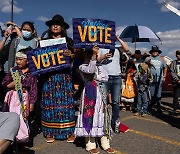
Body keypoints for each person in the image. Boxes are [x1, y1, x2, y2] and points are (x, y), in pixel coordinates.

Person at [40, 14, 75, 143]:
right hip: (49, 78)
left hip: (64, 77)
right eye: (53, 24)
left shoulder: (69, 41)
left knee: (66, 104)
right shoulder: (43, 42)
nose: (55, 26)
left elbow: (75, 57)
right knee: (50, 104)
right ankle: (50, 132)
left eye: (58, 24)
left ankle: (69, 132)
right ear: (50, 27)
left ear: (62, 27)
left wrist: (71, 54)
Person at [74, 47, 115, 154]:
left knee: (103, 115)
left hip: (101, 93)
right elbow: (90, 71)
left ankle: (105, 143)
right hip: (89, 93)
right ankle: (90, 144)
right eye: (87, 55)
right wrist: (94, 57)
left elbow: (105, 78)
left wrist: (98, 61)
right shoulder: (82, 66)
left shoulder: (99, 65)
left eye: (91, 54)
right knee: (89, 116)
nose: (89, 56)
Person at [2, 48, 38, 144]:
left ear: (27, 60)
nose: (18, 61)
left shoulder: (32, 73)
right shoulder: (13, 71)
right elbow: (4, 84)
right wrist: (10, 85)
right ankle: (9, 140)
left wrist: (32, 103)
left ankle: (22, 141)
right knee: (12, 118)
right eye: (17, 59)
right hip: (13, 98)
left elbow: (34, 88)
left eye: (20, 59)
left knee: (24, 118)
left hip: (25, 99)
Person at [98, 36, 130, 131]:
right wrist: (104, 56)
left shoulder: (116, 47)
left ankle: (115, 123)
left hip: (116, 77)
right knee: (103, 102)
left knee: (116, 102)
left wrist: (118, 39)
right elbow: (98, 59)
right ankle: (103, 123)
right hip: (104, 78)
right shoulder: (100, 47)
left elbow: (127, 49)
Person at [146, 45, 167, 113]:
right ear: (151, 52)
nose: (155, 52)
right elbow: (144, 66)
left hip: (159, 79)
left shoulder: (161, 59)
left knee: (158, 94)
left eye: (156, 51)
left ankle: (158, 107)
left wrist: (164, 76)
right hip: (151, 79)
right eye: (153, 51)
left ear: (158, 52)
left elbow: (165, 68)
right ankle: (150, 106)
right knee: (151, 94)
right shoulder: (149, 58)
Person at [169, 50, 180, 116]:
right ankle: (175, 109)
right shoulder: (173, 63)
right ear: (176, 55)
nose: (179, 55)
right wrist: (177, 79)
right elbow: (172, 72)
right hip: (176, 81)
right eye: (178, 54)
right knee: (176, 96)